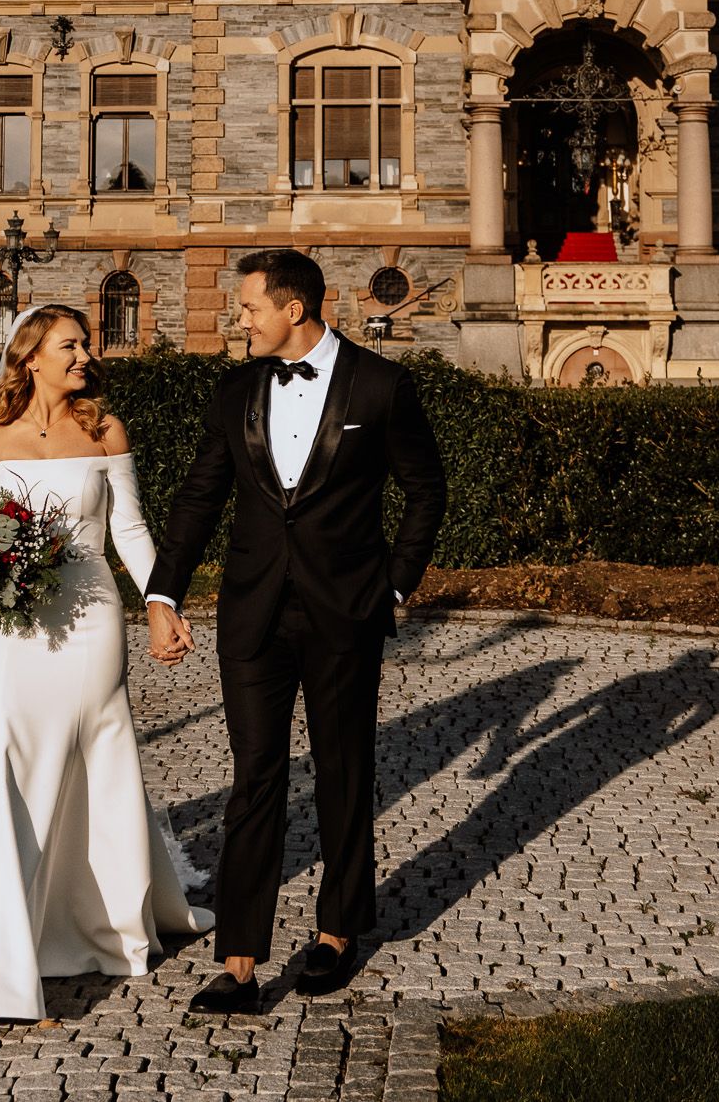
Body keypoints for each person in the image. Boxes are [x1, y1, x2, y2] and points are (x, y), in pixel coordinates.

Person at [144, 248, 448, 1011]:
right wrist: (161, 593)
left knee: (343, 766)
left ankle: (338, 929)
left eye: (248, 307)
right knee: (255, 779)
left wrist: (394, 584)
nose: (238, 318)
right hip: (252, 613)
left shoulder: (381, 385)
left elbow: (425, 490)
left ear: (294, 309)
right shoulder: (235, 388)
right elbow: (196, 501)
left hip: (344, 609)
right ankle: (241, 957)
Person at [0, 305, 211, 1019]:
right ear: (29, 356)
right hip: (10, 626)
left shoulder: (104, 430)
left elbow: (128, 526)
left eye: (86, 345)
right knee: (0, 754)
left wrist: (161, 603)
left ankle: (99, 922)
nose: (85, 355)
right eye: (71, 344)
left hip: (92, 615)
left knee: (92, 753)